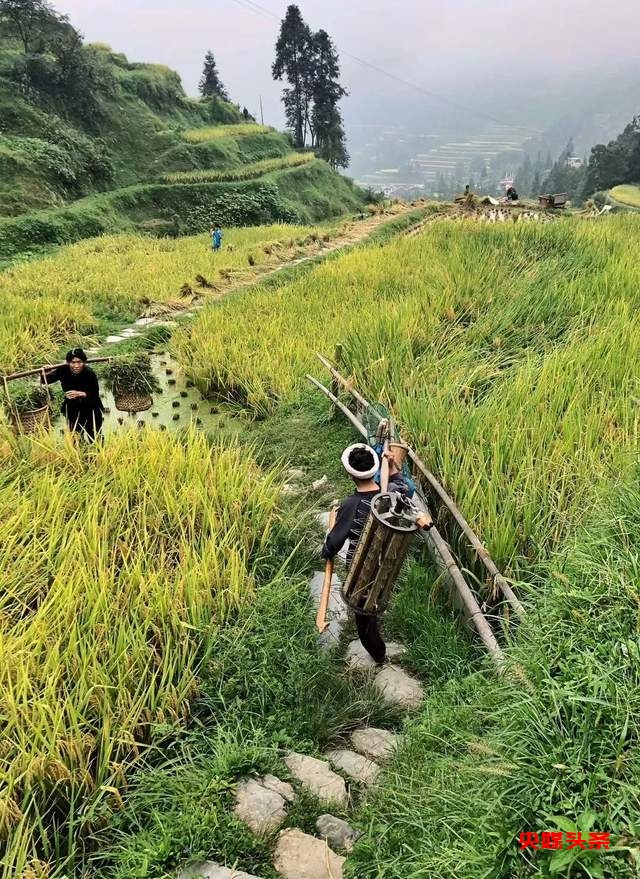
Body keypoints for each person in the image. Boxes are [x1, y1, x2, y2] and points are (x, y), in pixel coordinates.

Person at [322, 444, 433, 665]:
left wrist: (326, 550)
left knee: (363, 616)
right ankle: (376, 623)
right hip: (387, 565)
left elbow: (334, 542)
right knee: (374, 599)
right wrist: (392, 466)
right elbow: (403, 485)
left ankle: (379, 655)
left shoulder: (351, 505)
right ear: (374, 468)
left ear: (349, 474)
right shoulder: (391, 495)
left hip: (361, 570)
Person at [42, 348, 104, 441]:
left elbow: (95, 394)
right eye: (73, 362)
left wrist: (80, 393)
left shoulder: (89, 373)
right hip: (73, 409)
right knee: (76, 438)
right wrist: (46, 373)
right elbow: (45, 381)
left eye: (79, 362)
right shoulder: (63, 370)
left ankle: (98, 450)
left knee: (95, 436)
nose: (76, 366)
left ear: (84, 362)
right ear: (68, 362)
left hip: (91, 409)